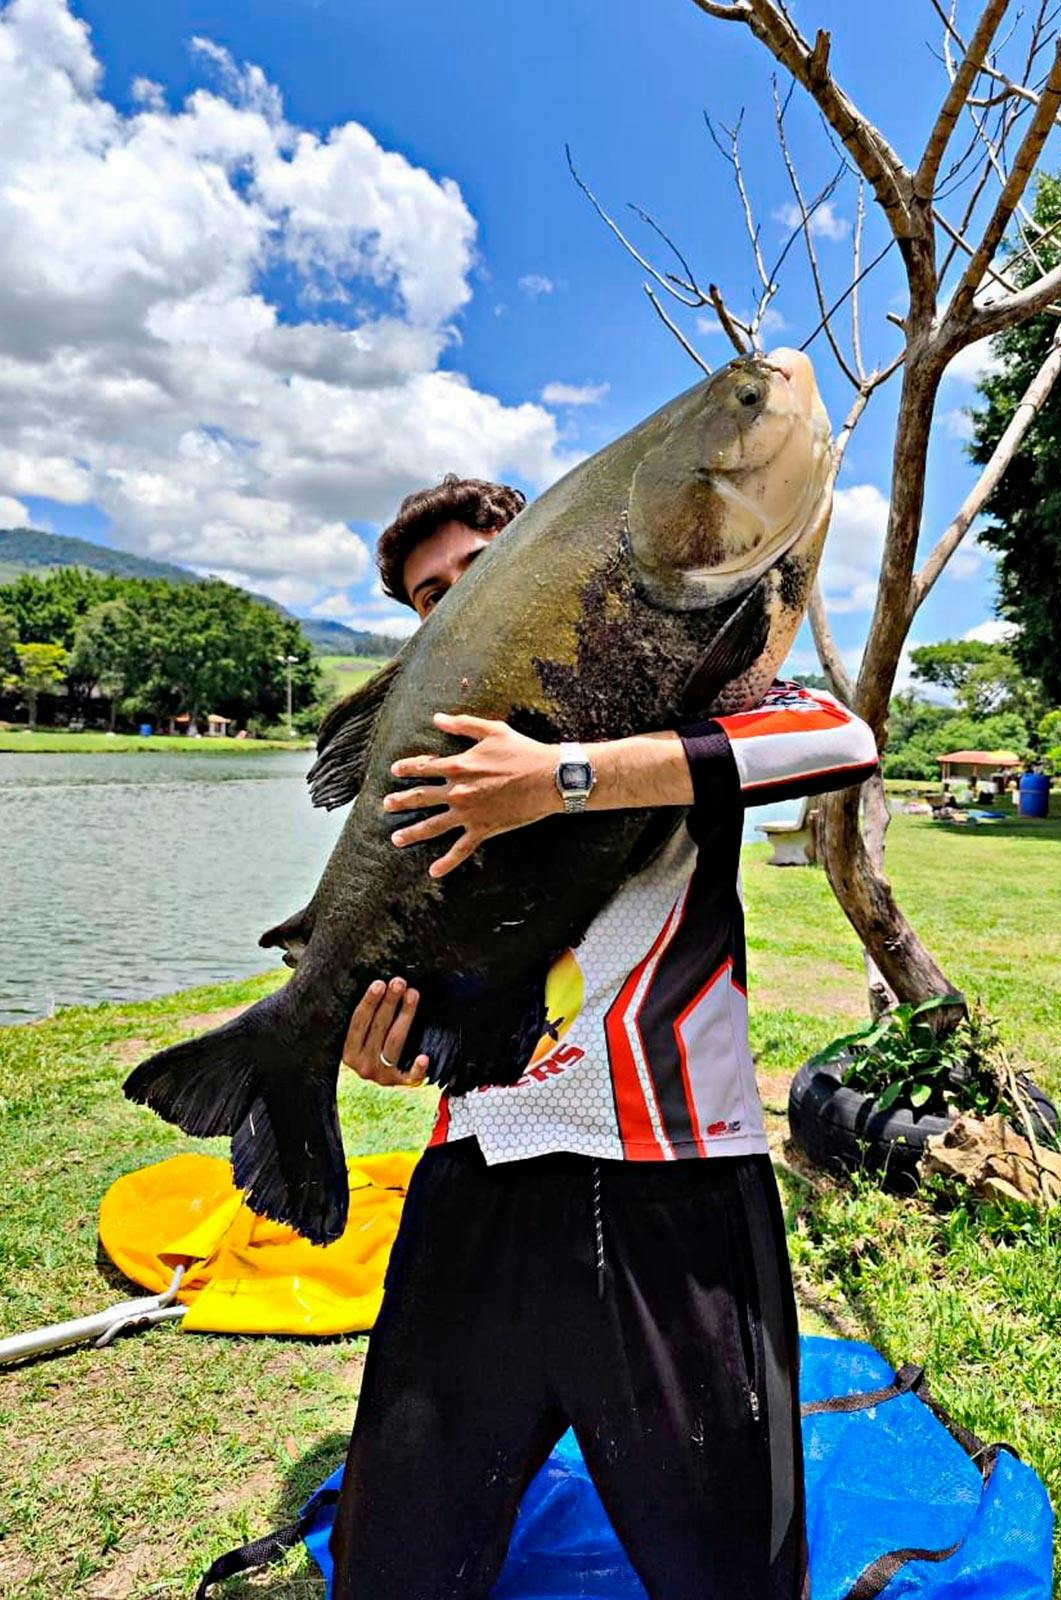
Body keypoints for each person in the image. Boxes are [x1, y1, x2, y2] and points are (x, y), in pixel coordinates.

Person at [328, 473, 878, 1600]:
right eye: (431, 596)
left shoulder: (677, 686)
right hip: (479, 1169)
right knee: (388, 1573)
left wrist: (558, 779)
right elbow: (430, 986)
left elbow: (838, 741)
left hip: (676, 1179)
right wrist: (383, 1040)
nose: (459, 601)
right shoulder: (431, 773)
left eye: (482, 567)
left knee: (736, 1578)